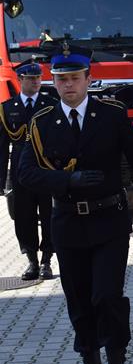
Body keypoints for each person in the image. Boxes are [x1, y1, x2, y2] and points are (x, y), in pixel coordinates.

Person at [18, 48, 133, 364]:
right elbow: (25, 173)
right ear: (54, 82)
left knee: (107, 297)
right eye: (61, 79)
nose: (68, 85)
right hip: (68, 224)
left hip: (108, 221)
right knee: (80, 302)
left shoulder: (112, 114)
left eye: (75, 78)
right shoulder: (42, 122)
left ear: (89, 79)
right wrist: (66, 181)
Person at [0, 62, 56, 279]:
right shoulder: (7, 108)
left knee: (49, 214)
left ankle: (47, 260)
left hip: (46, 167)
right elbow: (2, 147)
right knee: (24, 216)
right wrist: (1, 181)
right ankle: (31, 260)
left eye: (38, 77)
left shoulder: (50, 105)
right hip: (20, 170)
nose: (36, 81)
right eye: (31, 78)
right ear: (20, 79)